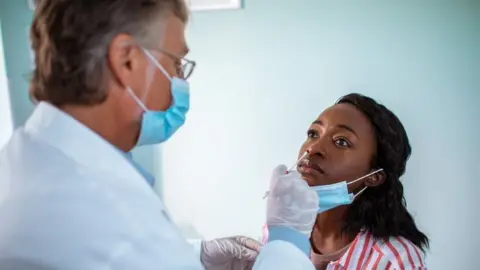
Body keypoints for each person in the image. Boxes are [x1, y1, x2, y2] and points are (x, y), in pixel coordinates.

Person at [0, 0, 319, 269]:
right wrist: (286, 243)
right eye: (176, 62)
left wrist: (195, 254)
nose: (179, 81)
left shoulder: (28, 158)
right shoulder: (114, 219)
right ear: (126, 61)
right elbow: (125, 248)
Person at [267, 93, 429, 269]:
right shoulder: (282, 223)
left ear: (373, 176)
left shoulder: (395, 261)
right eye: (313, 133)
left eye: (341, 142)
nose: (313, 149)